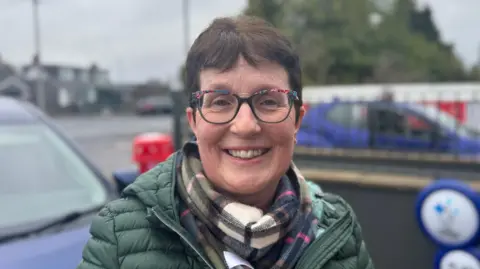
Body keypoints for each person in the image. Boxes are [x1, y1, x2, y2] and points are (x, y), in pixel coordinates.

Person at [77, 15, 374, 269]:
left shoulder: (339, 231)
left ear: (296, 120)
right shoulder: (118, 235)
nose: (245, 125)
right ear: (194, 122)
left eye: (269, 101)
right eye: (220, 101)